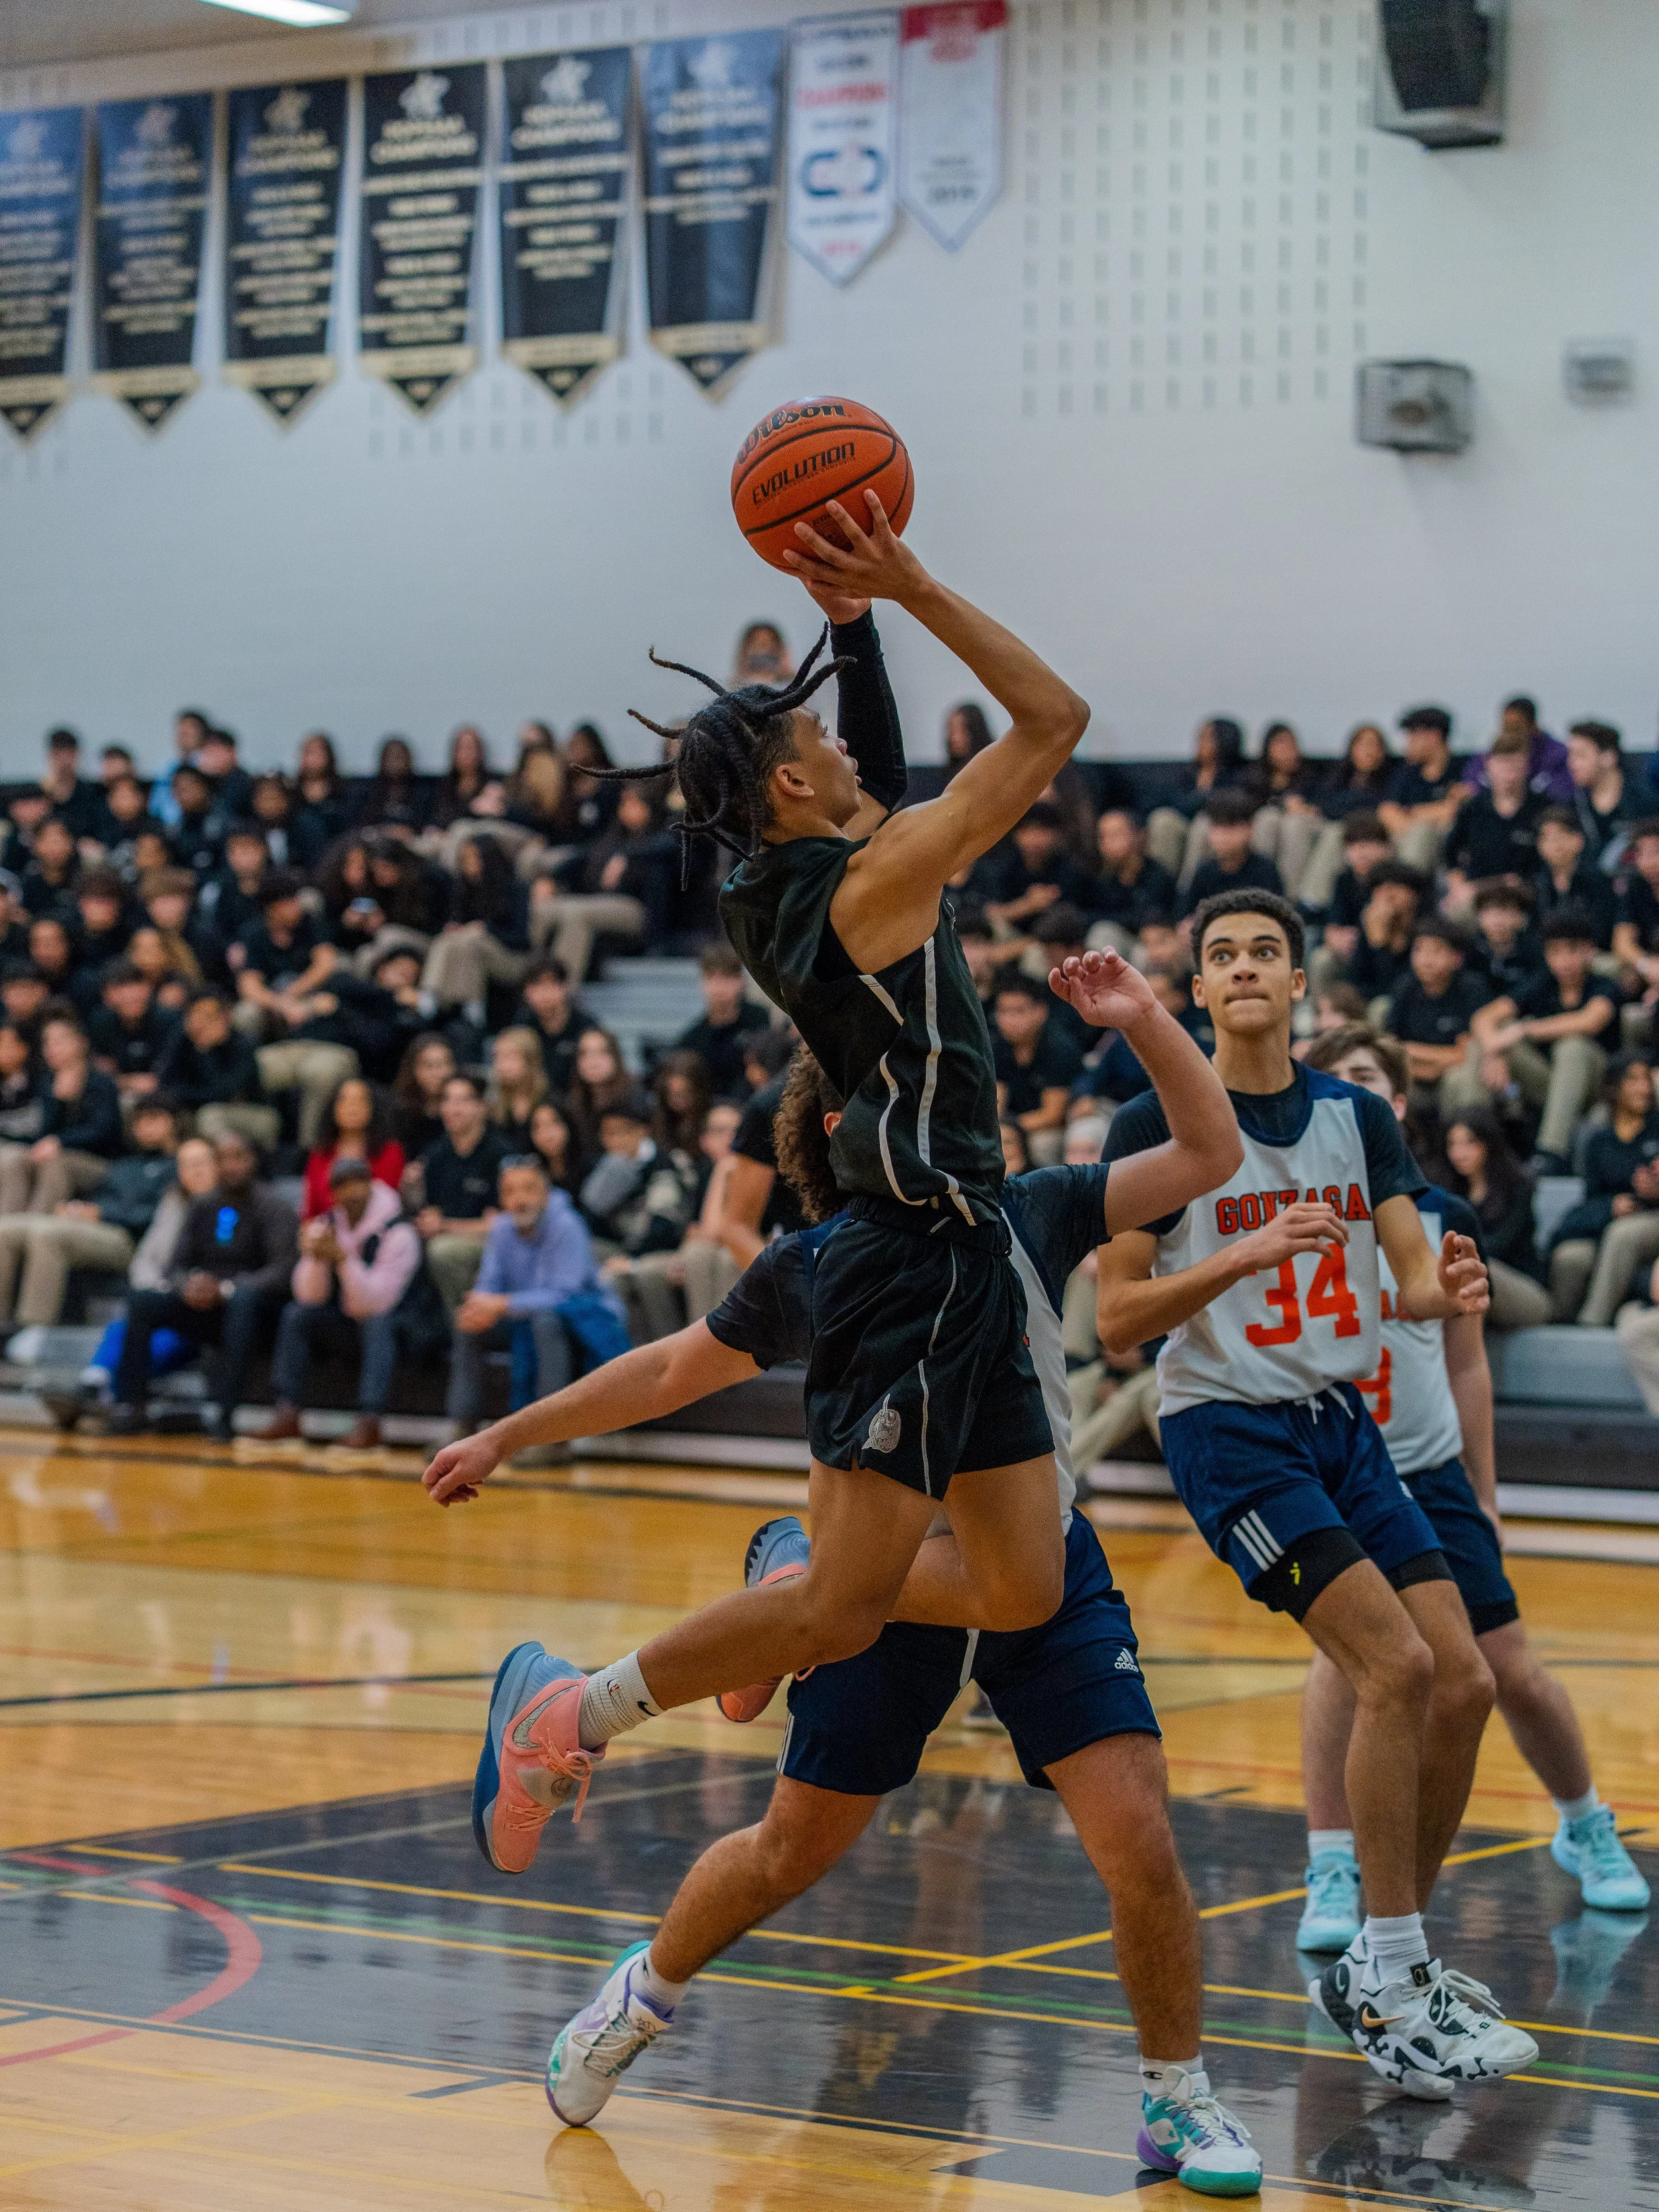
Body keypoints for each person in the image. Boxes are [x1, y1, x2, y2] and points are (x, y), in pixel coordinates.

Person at [429, 1025, 1258, 2195]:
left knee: (1142, 1841)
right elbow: (669, 1368)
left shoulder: (1032, 1206)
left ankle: (1177, 2097)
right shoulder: (825, 1262)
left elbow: (1207, 1147)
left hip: (1043, 1571)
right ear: (846, 1129)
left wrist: (1137, 1013)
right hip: (903, 1595)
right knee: (785, 1851)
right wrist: (511, 1431)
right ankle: (641, 1992)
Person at [1096, 889, 1538, 2098]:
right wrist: (1239, 1252)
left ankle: (1392, 1959)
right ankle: (1394, 1980)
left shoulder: (1360, 1117)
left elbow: (1405, 1278)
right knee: (1394, 1668)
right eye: (1222, 955)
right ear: (1198, 991)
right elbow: (1118, 1318)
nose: (1244, 969)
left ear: (1301, 985)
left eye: (1266, 953)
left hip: (1342, 1422)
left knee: (1467, 1679)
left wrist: (1446, 1285)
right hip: (1228, 1431)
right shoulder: (1152, 1121)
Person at [1295, 1025, 1648, 1943]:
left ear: (1399, 1103)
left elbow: (1466, 1366)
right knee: (1344, 1664)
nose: (1351, 1091)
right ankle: (1332, 1863)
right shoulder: (1281, 1209)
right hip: (1335, 1468)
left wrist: (1486, 1492)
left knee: (1510, 1669)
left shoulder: (1438, 1210)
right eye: (1331, 1079)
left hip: (1430, 1470)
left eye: (1368, 1077)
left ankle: (1585, 1823)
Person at [110, 1130, 298, 1439]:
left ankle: (225, 1416)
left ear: (254, 1162)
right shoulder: (203, 1205)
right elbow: (176, 1265)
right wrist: (190, 1283)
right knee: (143, 1300)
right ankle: (133, 1408)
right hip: (205, 1305)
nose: (231, 1166)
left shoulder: (274, 1207)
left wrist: (227, 1288)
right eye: (223, 1159)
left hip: (258, 1311)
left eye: (239, 1158)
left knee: (244, 1302)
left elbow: (282, 1271)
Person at [445, 1154, 624, 1436]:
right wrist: (477, 1305)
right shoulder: (502, 1229)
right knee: (468, 1324)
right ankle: (461, 1426)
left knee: (545, 1320)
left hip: (580, 1324)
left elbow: (565, 1295)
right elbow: (488, 1284)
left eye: (528, 1189)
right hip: (522, 1316)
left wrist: (503, 1303)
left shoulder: (567, 1225)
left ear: (545, 1193)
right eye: (510, 1192)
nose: (520, 1200)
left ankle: (550, 1435)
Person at [261, 1155, 425, 1450]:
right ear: (332, 1192)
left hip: (404, 1330)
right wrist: (316, 1258)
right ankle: (288, 1413)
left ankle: (370, 1423)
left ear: (371, 1184)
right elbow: (310, 1297)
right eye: (343, 1186)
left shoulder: (399, 1231)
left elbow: (375, 1304)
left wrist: (342, 1258)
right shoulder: (327, 1225)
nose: (351, 1192)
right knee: (297, 1315)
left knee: (378, 1324)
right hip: (351, 1323)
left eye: (358, 1183)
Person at [1457, 906, 1621, 1172]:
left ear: (1591, 951)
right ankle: (1478, 1140)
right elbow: (1483, 1018)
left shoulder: (1603, 985)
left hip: (1597, 1086)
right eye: (1555, 952)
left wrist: (1525, 1029)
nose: (1564, 961)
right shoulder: (1543, 983)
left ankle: (1550, 1151)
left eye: (1573, 950)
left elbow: (1590, 1021)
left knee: (1572, 1046)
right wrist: (1493, 1052)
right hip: (1550, 1085)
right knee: (1488, 1038)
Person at [0, 1096, 181, 1329]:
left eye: (154, 1119)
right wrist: (77, 1210)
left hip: (131, 1238)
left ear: (174, 1122)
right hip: (96, 1228)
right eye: (140, 1121)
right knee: (5, 1230)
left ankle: (32, 1327)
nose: (146, 1127)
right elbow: (103, 1195)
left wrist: (102, 1213)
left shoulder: (177, 1165)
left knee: (46, 1234)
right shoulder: (124, 1164)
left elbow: (162, 1215)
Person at [1546, 1054, 1659, 1321]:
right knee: (1570, 1258)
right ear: (1614, 1086)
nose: (1643, 1087)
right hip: (1611, 1220)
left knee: (1623, 1235)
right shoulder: (1598, 1142)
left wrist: (1654, 1193)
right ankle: (1555, 1327)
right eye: (1633, 1079)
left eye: (1646, 1079)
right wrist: (1611, 1206)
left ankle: (1593, 1322)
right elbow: (1592, 1198)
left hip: (1651, 1217)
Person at [1434, 1108, 1551, 1330]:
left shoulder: (1518, 1187)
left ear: (1487, 1142)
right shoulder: (1449, 1190)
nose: (1459, 1152)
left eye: (1468, 1142)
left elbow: (1499, 1246)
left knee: (1475, 1270)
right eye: (1453, 1144)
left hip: (1527, 1291)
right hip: (1479, 1286)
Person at [0, 1011, 123, 1215]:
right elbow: (43, 1131)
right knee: (18, 1161)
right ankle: (6, 1229)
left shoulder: (100, 1082)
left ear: (81, 1043)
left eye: (60, 1042)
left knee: (54, 1164)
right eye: (47, 1043)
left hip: (99, 1161)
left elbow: (104, 1131)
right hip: (58, 1153)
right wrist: (58, 1102)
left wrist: (61, 1142)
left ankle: (35, 1228)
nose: (52, 1049)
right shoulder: (46, 1083)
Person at [412, 1072, 512, 1307]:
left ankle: (467, 1328)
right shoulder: (436, 1155)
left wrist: (446, 1225)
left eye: (463, 1101)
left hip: (501, 1244)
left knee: (442, 1250)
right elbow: (431, 1215)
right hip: (462, 1238)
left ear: (481, 1107)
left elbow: (501, 1226)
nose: (453, 1109)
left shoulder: (501, 1153)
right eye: (447, 1100)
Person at [1385, 921, 1491, 1118]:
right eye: (1419, 950)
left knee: (1459, 1080)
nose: (1426, 960)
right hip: (1415, 1078)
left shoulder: (1471, 988)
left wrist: (1411, 1049)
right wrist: (1430, 1067)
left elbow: (1465, 1056)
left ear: (1457, 958)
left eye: (1436, 951)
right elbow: (1391, 1051)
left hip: (1455, 1077)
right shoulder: (1405, 987)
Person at [423, 832, 532, 1021]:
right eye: (465, 858)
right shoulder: (463, 889)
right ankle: (430, 996)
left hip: (512, 958)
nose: (469, 864)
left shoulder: (516, 889)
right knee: (449, 939)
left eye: (474, 857)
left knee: (473, 941)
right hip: (473, 951)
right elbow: (458, 923)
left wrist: (486, 929)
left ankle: (473, 1009)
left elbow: (521, 939)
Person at [153, 989, 275, 1149]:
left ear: (224, 1017)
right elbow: (164, 1083)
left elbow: (224, 1092)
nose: (200, 1021)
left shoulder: (243, 1045)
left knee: (209, 1116)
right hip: (196, 1107)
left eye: (208, 1016)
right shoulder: (182, 1041)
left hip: (249, 1111)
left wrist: (207, 1051)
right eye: (195, 1014)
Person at [1442, 730, 1545, 905]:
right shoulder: (1473, 808)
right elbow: (1450, 852)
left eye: (1515, 765)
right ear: (1489, 765)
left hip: (1527, 895)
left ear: (1527, 766)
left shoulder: (1543, 809)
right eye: (1503, 764)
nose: (1509, 773)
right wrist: (1457, 885)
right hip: (1479, 893)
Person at [990, 972, 1082, 1157]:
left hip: (1057, 1126)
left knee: (1041, 1144)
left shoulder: (1059, 1047)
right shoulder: (997, 1046)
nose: (1010, 1020)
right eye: (1004, 1012)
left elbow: (1053, 1115)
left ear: (1040, 1012)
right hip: (1014, 1122)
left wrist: (1007, 1127)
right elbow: (996, 1100)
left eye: (1019, 1011)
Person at [1379, 707, 1471, 874]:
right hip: (1405, 839)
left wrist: (1409, 812)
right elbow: (1387, 812)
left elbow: (1454, 812)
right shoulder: (1406, 773)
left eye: (1413, 736)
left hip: (1444, 845)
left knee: (1423, 832)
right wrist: (1423, 819)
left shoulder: (1463, 769)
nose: (1408, 743)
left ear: (1434, 736)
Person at [674, 944, 770, 1100]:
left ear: (741, 981)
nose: (719, 987)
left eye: (727, 977)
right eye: (711, 977)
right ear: (702, 982)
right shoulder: (693, 1039)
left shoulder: (759, 1019)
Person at [301, 1075, 405, 1219]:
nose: (352, 1107)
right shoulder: (320, 1155)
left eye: (360, 1101)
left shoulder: (390, 1152)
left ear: (372, 1108)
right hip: (328, 1232)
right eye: (344, 1100)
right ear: (333, 1108)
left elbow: (387, 1204)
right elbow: (311, 1212)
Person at [1178, 790, 1283, 919]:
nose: (1222, 837)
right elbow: (1187, 915)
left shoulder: (1265, 871)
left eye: (1230, 827)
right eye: (1217, 827)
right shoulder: (1204, 872)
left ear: (1249, 830)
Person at [1086, 809, 1177, 953]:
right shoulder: (1103, 880)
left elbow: (1150, 919)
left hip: (1150, 946)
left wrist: (1112, 918)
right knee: (1102, 934)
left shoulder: (1158, 876)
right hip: (1119, 943)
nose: (1109, 843)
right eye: (1103, 837)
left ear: (1137, 836)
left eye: (1116, 835)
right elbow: (1087, 915)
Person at [86, 959, 176, 1102]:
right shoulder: (100, 1023)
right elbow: (102, 1073)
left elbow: (174, 1072)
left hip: (168, 1093)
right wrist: (128, 1082)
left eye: (135, 985)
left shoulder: (169, 1020)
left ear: (148, 988)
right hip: (121, 1094)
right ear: (106, 996)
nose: (130, 995)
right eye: (120, 988)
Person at [1533, 806, 1616, 947]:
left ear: (1578, 840)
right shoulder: (1538, 883)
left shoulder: (1597, 881)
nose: (1554, 845)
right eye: (1546, 838)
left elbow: (1604, 928)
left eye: (1559, 837)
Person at [1565, 720, 1637, 865]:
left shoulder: (1644, 801)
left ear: (1609, 757)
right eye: (1570, 755)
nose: (1572, 764)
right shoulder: (1571, 805)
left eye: (1580, 755)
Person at [516, 959, 584, 1097]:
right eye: (536, 986)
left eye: (550, 985)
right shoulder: (522, 1025)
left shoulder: (585, 1026)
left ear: (565, 987)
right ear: (526, 992)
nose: (543, 994)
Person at [389, 1032, 456, 1158]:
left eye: (442, 1065)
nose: (435, 1073)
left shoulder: (463, 1110)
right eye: (428, 1066)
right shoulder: (399, 1113)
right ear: (414, 1069)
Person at [486, 1027, 547, 1149]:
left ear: (530, 1060)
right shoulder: (494, 1108)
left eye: (508, 1057)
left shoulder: (548, 1101)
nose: (501, 1065)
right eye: (497, 1057)